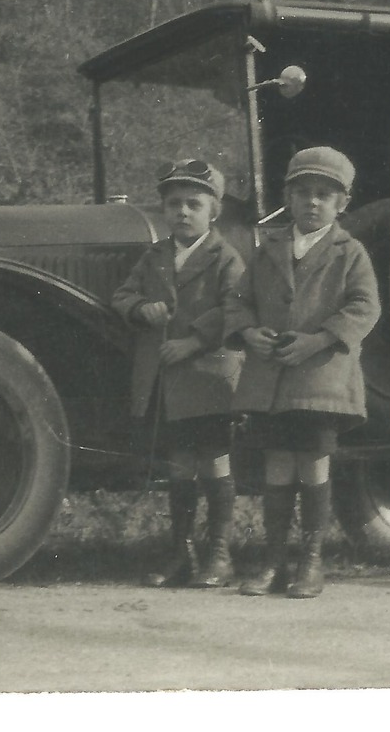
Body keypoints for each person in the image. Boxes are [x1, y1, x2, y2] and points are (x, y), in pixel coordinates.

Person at [226, 147, 380, 599]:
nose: (312, 203)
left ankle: (311, 562)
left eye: (324, 195)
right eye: (303, 193)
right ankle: (274, 561)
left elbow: (365, 306)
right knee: (276, 463)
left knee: (312, 463)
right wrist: (247, 331)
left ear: (342, 204)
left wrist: (320, 339)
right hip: (271, 380)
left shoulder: (350, 252)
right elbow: (238, 300)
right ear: (288, 198)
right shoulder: (267, 249)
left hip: (321, 381)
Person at [111, 160, 247, 588]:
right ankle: (181, 553)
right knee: (180, 465)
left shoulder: (226, 257)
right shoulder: (155, 256)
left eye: (193, 204)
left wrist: (193, 342)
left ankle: (220, 554)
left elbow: (236, 307)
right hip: (168, 383)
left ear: (214, 211)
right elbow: (123, 295)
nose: (182, 213)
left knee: (214, 461)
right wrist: (140, 308)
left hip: (210, 378)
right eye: (173, 204)